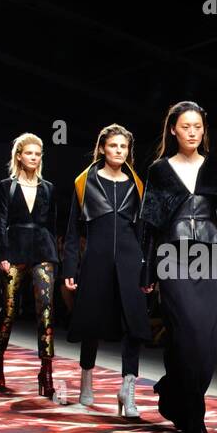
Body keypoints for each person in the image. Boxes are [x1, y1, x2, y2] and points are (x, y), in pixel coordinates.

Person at [139, 101, 217, 433]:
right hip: (173, 255)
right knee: (186, 333)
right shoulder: (159, 170)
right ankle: (194, 417)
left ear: (204, 131)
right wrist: (147, 273)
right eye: (185, 126)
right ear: (173, 129)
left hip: (209, 254)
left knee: (206, 340)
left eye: (198, 127)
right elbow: (150, 225)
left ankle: (173, 388)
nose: (192, 132)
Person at [62, 124, 151, 417]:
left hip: (130, 258)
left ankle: (128, 387)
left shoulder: (137, 184)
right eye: (113, 146)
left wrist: (146, 268)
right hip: (96, 258)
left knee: (134, 322)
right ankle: (86, 379)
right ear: (102, 148)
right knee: (91, 321)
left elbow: (142, 231)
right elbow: (73, 229)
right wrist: (70, 266)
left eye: (123, 147)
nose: (118, 152)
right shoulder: (83, 182)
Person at [0, 133, 59, 395]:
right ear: (19, 156)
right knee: (8, 310)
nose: (34, 157)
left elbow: (52, 225)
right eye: (29, 153)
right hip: (14, 250)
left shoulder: (48, 188)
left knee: (46, 311)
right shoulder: (5, 186)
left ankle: (47, 371)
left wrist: (55, 253)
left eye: (38, 154)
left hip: (43, 250)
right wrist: (1, 256)